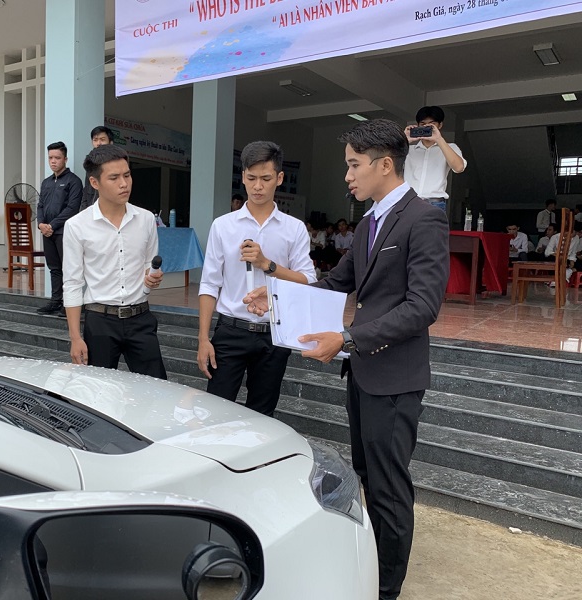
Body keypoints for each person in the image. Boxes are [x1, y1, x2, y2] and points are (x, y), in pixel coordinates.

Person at [247, 119, 449, 600]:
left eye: (354, 166)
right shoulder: (369, 223)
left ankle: (386, 590)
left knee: (388, 487)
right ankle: (370, 570)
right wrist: (275, 298)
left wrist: (347, 337)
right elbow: (335, 284)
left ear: (385, 165)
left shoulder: (423, 219)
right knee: (368, 477)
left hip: (394, 377)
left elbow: (422, 307)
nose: (348, 176)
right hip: (362, 372)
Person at [196, 141, 317, 416]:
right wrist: (203, 338)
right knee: (215, 411)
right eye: (251, 178)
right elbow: (209, 283)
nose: (258, 186)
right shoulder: (223, 226)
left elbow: (307, 281)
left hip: (273, 334)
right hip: (230, 330)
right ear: (243, 177)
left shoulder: (294, 229)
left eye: (266, 178)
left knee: (263, 414)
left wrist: (267, 265)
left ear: (280, 178)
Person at [62, 144, 167, 379]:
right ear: (95, 182)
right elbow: (72, 283)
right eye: (114, 178)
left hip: (140, 318)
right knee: (96, 390)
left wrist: (152, 278)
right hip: (100, 320)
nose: (124, 183)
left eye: (127, 175)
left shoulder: (146, 219)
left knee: (156, 388)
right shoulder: (77, 226)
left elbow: (149, 264)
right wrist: (75, 337)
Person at [36, 141, 83, 315]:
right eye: (50, 158)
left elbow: (72, 208)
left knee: (68, 269)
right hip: (47, 233)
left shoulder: (74, 181)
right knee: (54, 268)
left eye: (57, 157)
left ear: (65, 159)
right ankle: (56, 301)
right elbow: (40, 205)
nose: (53, 161)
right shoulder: (46, 182)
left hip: (65, 232)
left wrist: (52, 225)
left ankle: (69, 304)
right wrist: (41, 224)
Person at [404, 106, 467, 212]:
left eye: (432, 124)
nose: (427, 127)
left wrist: (438, 139)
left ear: (440, 125)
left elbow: (459, 168)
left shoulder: (450, 148)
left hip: (435, 204)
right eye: (423, 124)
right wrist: (403, 141)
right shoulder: (407, 149)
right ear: (418, 125)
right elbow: (385, 163)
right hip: (408, 202)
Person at [80, 126, 114, 211]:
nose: (98, 143)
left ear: (110, 142)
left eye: (102, 139)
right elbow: (86, 190)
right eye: (95, 140)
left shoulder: (116, 163)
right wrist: (83, 211)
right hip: (91, 210)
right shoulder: (90, 163)